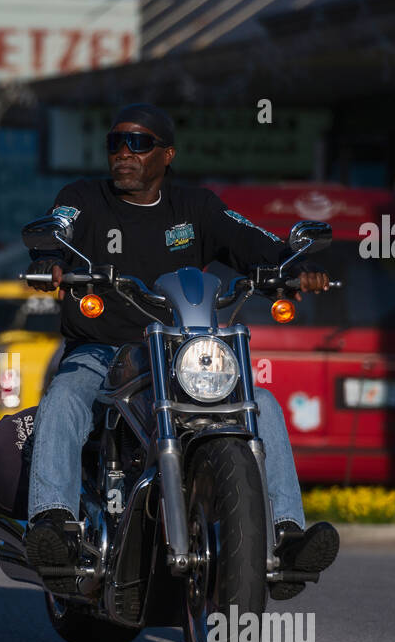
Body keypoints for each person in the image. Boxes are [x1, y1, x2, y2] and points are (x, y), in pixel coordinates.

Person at [23, 103, 338, 600]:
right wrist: (49, 261)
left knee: (263, 404)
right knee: (63, 397)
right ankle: (54, 526)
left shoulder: (197, 208)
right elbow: (57, 232)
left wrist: (292, 266)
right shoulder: (82, 198)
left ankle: (285, 534)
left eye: (139, 144)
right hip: (102, 352)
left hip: (180, 355)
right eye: (116, 143)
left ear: (166, 154)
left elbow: (251, 240)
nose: (124, 153)